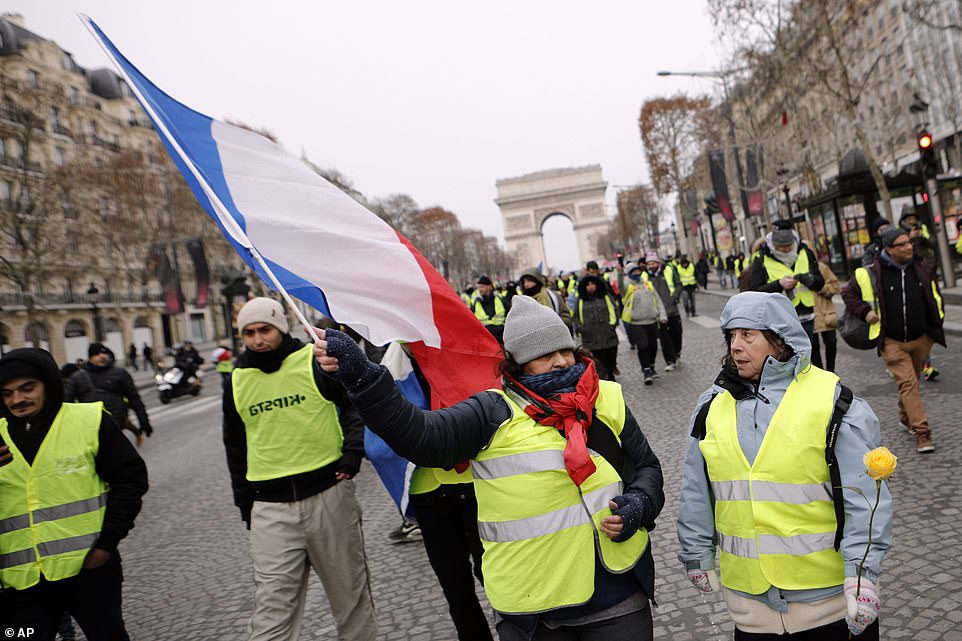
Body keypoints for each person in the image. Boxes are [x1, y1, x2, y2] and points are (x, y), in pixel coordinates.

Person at [314, 295, 664, 641]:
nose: (560, 362)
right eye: (543, 354)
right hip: (532, 610)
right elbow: (420, 436)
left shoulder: (608, 397)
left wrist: (639, 505)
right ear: (517, 362)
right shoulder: (490, 412)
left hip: (618, 595)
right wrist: (364, 378)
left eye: (565, 350)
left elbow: (647, 468)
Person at [677, 292, 891, 640]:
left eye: (748, 335)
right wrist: (696, 551)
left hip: (828, 604)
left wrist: (863, 574)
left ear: (779, 341)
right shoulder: (711, 406)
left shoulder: (833, 401)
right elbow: (697, 488)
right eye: (731, 335)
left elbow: (864, 497)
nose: (735, 346)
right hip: (751, 610)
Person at [222, 297, 376, 641]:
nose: (258, 339)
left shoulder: (313, 360)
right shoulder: (235, 380)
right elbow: (234, 446)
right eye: (249, 333)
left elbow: (352, 406)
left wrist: (352, 456)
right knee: (271, 612)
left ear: (279, 327)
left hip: (328, 495)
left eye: (264, 329)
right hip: (270, 507)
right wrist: (246, 504)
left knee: (350, 598)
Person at [0, 348, 149, 639]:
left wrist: (107, 544)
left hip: (90, 571)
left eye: (27, 388)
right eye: (7, 393)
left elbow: (130, 481)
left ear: (48, 383)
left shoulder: (88, 420)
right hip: (21, 583)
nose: (17, 400)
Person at [841, 226, 944, 454]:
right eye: (902, 244)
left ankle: (905, 414)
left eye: (909, 243)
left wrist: (936, 324)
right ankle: (922, 433)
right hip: (891, 340)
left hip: (920, 338)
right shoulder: (871, 272)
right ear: (889, 248)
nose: (909, 247)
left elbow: (935, 295)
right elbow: (848, 294)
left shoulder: (921, 268)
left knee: (912, 383)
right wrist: (865, 311)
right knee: (908, 383)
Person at [749, 219, 824, 345]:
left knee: (808, 357)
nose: (785, 250)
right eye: (781, 247)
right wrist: (779, 284)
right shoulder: (761, 257)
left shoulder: (805, 252)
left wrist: (810, 280)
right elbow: (755, 291)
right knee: (786, 360)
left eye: (789, 246)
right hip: (779, 321)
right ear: (773, 244)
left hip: (807, 318)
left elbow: (820, 283)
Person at [66, 343, 153, 447]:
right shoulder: (77, 377)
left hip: (116, 422)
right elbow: (68, 402)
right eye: (97, 354)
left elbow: (134, 398)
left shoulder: (119, 373)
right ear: (90, 357)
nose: (102, 356)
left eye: (104, 353)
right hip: (90, 424)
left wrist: (144, 421)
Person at [622, 262, 672, 385]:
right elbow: (619, 285)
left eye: (637, 271)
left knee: (652, 345)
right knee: (642, 346)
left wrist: (662, 315)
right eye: (633, 272)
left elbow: (658, 300)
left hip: (652, 320)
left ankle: (652, 366)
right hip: (636, 322)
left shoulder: (647, 284)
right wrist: (619, 271)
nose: (636, 273)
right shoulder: (626, 285)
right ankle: (646, 370)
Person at [573, 274, 619, 380]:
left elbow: (614, 309)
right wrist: (581, 328)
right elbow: (575, 316)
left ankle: (612, 367)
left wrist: (613, 324)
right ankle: (608, 376)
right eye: (588, 285)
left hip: (608, 333)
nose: (590, 286)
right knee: (600, 358)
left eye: (592, 284)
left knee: (612, 355)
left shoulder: (605, 296)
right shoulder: (580, 300)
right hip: (591, 335)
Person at [644, 251, 684, 363]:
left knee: (677, 333)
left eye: (653, 263)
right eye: (649, 264)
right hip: (658, 313)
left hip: (672, 309)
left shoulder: (668, 270)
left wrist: (674, 297)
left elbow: (679, 284)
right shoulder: (645, 276)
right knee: (664, 339)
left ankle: (677, 352)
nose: (651, 266)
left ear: (657, 263)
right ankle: (670, 360)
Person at [812, 261, 840, 372]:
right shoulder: (794, 267)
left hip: (826, 314)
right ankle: (821, 375)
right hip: (807, 316)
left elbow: (835, 286)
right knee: (813, 349)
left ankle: (831, 371)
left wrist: (820, 287)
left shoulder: (821, 267)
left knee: (831, 342)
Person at [472, 275, 508, 344]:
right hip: (485, 340)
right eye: (478, 287)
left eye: (482, 287)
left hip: (502, 339)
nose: (479, 289)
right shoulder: (476, 302)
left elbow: (509, 314)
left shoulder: (500, 299)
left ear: (489, 287)